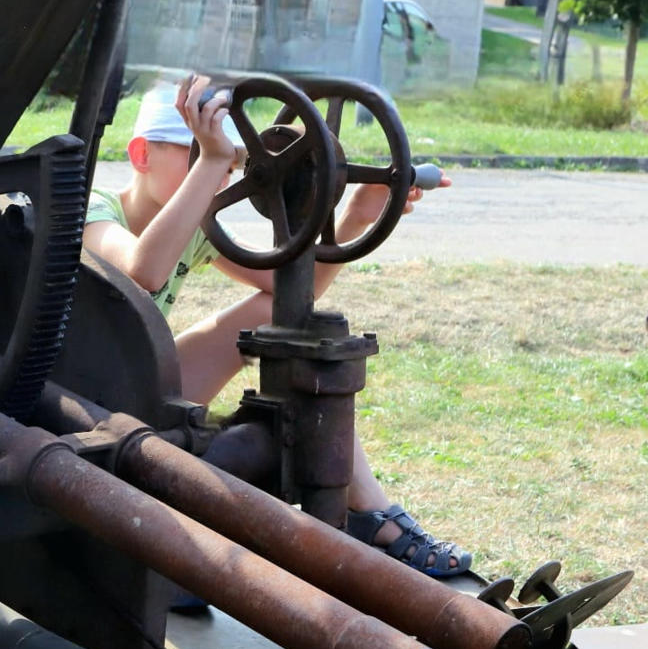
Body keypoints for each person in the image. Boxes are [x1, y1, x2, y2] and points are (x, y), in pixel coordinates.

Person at [82, 75, 470, 577]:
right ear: (140, 156)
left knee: (283, 318)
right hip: (76, 395)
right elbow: (141, 270)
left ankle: (366, 511)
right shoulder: (93, 210)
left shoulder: (198, 229)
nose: (218, 174)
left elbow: (285, 289)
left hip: (127, 381)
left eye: (228, 159)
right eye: (194, 151)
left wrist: (354, 216)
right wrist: (215, 158)